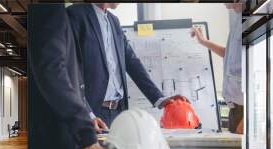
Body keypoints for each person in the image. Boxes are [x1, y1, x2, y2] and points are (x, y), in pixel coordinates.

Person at [67, 3, 188, 128]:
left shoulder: (114, 21)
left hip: (118, 112)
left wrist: (160, 99)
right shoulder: (75, 15)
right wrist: (87, 113)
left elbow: (132, 62)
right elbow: (69, 70)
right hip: (91, 114)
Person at [27, 4, 106, 149]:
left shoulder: (57, 12)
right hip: (56, 141)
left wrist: (88, 116)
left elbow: (73, 78)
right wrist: (84, 130)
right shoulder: (50, 9)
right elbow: (52, 72)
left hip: (63, 137)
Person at [190, 3, 243, 134]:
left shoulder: (252, 17)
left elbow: (261, 69)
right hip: (235, 110)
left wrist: (248, 117)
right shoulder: (237, 18)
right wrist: (203, 41)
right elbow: (229, 53)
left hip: (244, 113)